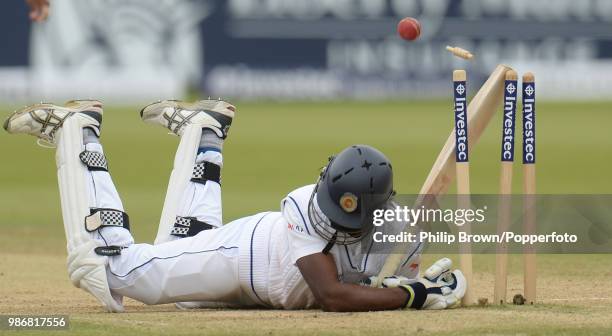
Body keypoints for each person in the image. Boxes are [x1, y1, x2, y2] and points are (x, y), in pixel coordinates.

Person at [3, 99, 466, 312]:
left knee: (183, 288)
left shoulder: (401, 233)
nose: (334, 219)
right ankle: (77, 131)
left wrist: (427, 285)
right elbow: (333, 296)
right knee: (108, 272)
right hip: (241, 258)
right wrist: (410, 296)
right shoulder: (305, 205)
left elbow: (398, 286)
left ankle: (204, 132)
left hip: (252, 284)